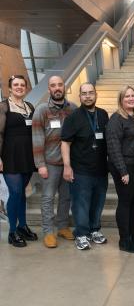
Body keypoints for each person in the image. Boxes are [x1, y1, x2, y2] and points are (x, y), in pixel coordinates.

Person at [61, 83, 109, 250]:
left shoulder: (103, 114)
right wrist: (67, 166)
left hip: (101, 170)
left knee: (98, 202)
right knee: (81, 204)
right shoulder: (73, 117)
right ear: (79, 96)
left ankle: (94, 230)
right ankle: (81, 234)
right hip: (81, 170)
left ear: (95, 94)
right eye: (84, 94)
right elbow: (65, 143)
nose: (88, 96)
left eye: (90, 93)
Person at [32, 75, 77, 248]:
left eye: (60, 84)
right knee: (48, 198)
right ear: (49, 89)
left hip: (68, 164)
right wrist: (40, 165)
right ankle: (48, 232)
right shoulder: (42, 110)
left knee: (66, 198)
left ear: (64, 87)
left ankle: (63, 226)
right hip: (49, 163)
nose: (57, 88)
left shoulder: (72, 108)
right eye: (53, 85)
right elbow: (36, 139)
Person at [106, 85, 134, 253]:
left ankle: (132, 234)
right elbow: (113, 147)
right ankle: (124, 240)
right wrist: (123, 171)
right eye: (127, 96)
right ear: (121, 100)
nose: (130, 98)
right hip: (125, 166)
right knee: (125, 202)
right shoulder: (116, 119)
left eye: (133, 95)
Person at [0, 75, 37, 247]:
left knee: (22, 193)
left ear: (26, 88)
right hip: (10, 157)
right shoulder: (3, 106)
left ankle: (22, 226)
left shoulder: (29, 106)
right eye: (16, 85)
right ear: (9, 88)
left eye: (22, 85)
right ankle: (12, 232)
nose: (19, 87)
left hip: (28, 156)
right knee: (15, 193)